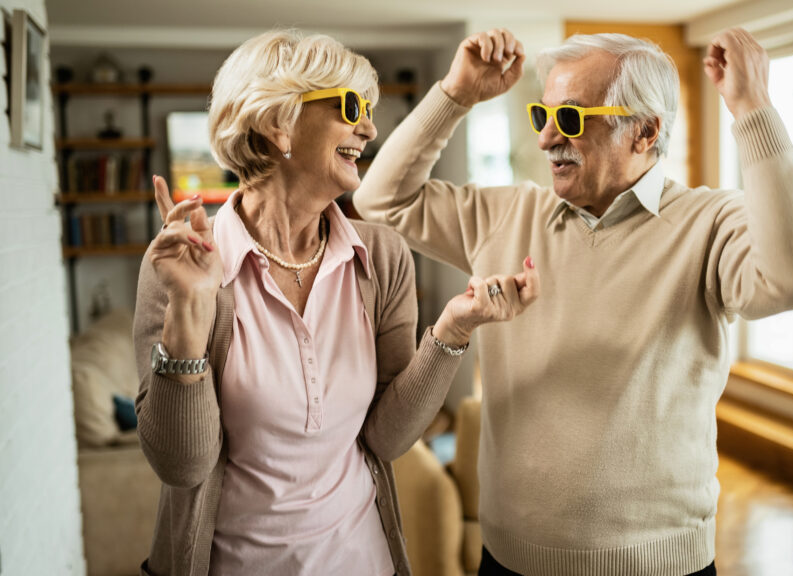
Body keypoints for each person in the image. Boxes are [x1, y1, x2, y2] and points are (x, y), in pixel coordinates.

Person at [354, 27, 793, 576]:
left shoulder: (709, 223)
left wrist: (753, 110)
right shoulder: (506, 215)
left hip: (660, 567)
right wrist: (456, 94)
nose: (546, 139)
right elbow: (380, 199)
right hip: (510, 560)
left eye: (573, 119)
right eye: (543, 116)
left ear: (645, 132)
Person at [132, 29, 539, 576]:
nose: (369, 128)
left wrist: (452, 331)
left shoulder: (382, 257)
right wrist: (188, 308)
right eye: (351, 107)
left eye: (368, 111)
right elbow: (183, 467)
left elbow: (387, 438)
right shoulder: (183, 264)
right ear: (279, 123)